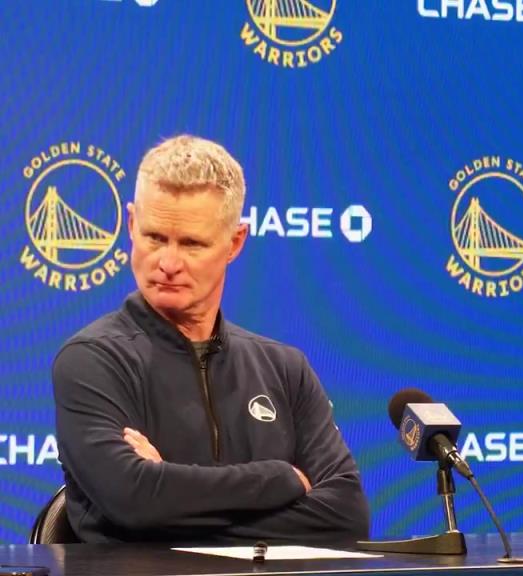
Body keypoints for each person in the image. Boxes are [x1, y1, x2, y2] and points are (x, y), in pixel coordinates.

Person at [53, 135, 370, 544]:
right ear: (131, 224)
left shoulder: (285, 368)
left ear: (234, 242)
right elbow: (133, 501)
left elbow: (346, 516)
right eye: (154, 237)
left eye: (191, 244)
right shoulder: (91, 361)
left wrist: (169, 502)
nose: (168, 262)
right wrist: (280, 479)